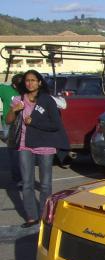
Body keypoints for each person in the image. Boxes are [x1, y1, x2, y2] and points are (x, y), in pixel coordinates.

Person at [6, 70, 69, 228]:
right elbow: (8, 121)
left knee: (45, 184)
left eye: (33, 80)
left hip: (45, 145)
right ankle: (31, 217)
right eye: (27, 80)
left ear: (39, 82)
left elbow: (56, 125)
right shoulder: (18, 99)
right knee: (27, 183)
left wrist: (33, 122)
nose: (30, 83)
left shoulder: (47, 100)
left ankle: (44, 215)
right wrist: (14, 110)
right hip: (24, 145)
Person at [0, 73, 23, 186]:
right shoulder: (4, 89)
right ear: (13, 85)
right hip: (9, 124)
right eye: (19, 86)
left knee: (23, 152)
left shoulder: (26, 91)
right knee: (14, 153)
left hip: (24, 124)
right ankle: (18, 178)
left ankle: (23, 177)